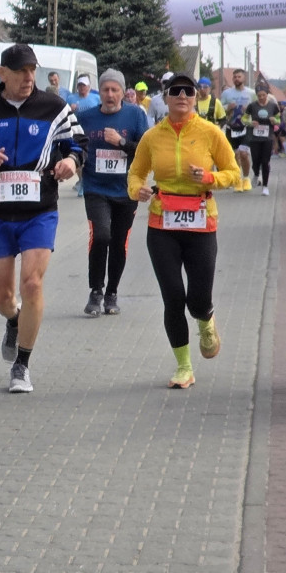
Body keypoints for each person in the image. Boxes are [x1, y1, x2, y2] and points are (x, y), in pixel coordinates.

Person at [0, 43, 87, 393]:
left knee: (32, 284)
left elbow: (77, 143)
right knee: (3, 296)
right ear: (3, 74)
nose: (29, 78)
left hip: (39, 210)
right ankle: (13, 321)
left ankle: (22, 365)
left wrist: (71, 162)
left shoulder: (53, 107)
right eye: (21, 72)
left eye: (33, 71)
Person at [127, 72, 240, 389]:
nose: (181, 95)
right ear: (164, 96)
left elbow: (233, 172)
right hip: (162, 224)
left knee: (198, 297)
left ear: (195, 96)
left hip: (202, 221)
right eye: (174, 91)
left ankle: (206, 319)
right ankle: (183, 367)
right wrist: (137, 190)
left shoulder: (210, 133)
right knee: (173, 298)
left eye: (187, 91)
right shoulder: (152, 137)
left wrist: (208, 178)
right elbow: (135, 175)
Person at [76, 69, 148, 317]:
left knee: (119, 241)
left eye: (114, 89)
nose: (110, 94)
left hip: (126, 189)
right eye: (105, 89)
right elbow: (74, 147)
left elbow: (145, 152)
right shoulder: (85, 118)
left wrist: (121, 142)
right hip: (96, 188)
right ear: (100, 92)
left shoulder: (136, 115)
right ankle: (96, 290)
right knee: (102, 235)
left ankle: (112, 293)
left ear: (122, 92)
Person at [242, 81, 280, 196]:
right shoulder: (252, 106)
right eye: (259, 96)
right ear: (256, 95)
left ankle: (265, 186)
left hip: (267, 137)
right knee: (255, 160)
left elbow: (279, 120)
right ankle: (256, 175)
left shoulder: (273, 106)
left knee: (265, 161)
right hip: (254, 138)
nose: (261, 98)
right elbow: (244, 119)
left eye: (263, 95)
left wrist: (275, 121)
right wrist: (250, 122)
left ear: (267, 94)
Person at [221, 68, 254, 190]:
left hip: (246, 127)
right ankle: (237, 179)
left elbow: (257, 107)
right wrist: (228, 107)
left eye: (239, 77)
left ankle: (246, 178)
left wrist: (249, 110)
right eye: (234, 77)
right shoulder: (227, 94)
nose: (236, 79)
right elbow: (220, 109)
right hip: (232, 127)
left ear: (244, 78)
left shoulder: (251, 93)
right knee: (235, 154)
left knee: (244, 154)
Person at [68, 76, 99, 196]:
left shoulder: (96, 98)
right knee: (78, 159)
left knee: (91, 158)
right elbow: (64, 113)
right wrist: (70, 109)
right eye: (80, 85)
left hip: (92, 132)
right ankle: (82, 181)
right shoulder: (71, 98)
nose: (82, 88)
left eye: (84, 85)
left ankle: (89, 182)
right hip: (76, 133)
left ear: (89, 87)